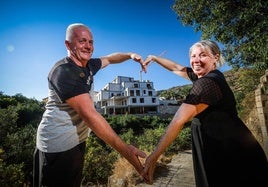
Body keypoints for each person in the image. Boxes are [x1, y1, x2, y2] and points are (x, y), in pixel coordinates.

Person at [33, 23, 147, 187]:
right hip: (56, 148)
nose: (88, 46)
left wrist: (130, 55)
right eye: (82, 41)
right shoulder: (63, 72)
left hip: (76, 141)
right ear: (68, 44)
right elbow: (90, 115)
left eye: (91, 42)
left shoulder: (89, 65)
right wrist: (128, 152)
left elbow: (110, 58)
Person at [141, 40, 268, 187]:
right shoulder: (208, 76)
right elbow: (176, 68)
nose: (196, 60)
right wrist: (155, 58)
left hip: (231, 158)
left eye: (202, 55)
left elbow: (178, 121)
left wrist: (154, 156)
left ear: (215, 57)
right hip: (226, 151)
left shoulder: (207, 83)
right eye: (193, 56)